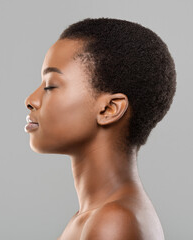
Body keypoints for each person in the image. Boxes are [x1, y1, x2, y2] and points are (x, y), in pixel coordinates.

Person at [24, 18, 176, 240]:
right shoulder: (90, 216)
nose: (31, 100)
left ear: (109, 109)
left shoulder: (114, 220)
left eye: (51, 86)